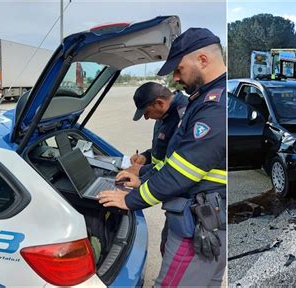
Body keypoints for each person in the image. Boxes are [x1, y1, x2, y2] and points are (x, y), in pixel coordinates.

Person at [97, 27, 226, 287]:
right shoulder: (201, 101)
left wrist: (130, 200)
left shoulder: (213, 107)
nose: (176, 78)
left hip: (197, 223)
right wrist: (143, 170)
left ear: (202, 60)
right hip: (208, 217)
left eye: (178, 69)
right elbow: (174, 158)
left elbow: (180, 172)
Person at [128, 82, 188, 182]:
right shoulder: (164, 113)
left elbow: (177, 166)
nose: (146, 118)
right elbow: (165, 149)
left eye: (146, 112)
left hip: (169, 183)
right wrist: (145, 156)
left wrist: (141, 171)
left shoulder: (184, 117)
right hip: (157, 177)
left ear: (159, 103)